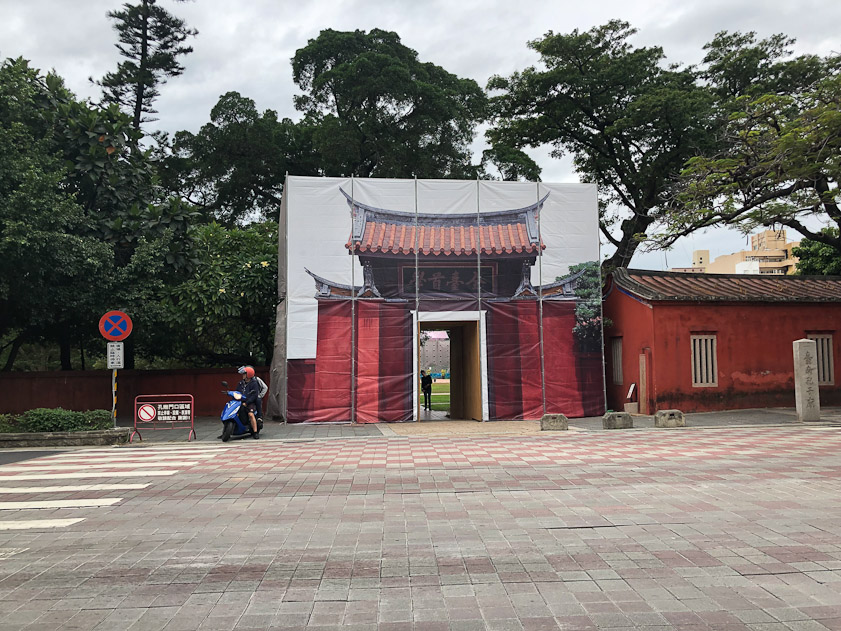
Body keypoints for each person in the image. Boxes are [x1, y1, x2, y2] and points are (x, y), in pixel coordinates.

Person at [236, 366, 260, 439]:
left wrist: (247, 402)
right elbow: (237, 391)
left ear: (248, 375)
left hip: (249, 402)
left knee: (251, 414)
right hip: (240, 402)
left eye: (244, 374)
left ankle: (255, 432)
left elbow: (254, 395)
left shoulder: (254, 383)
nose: (243, 375)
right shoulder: (240, 383)